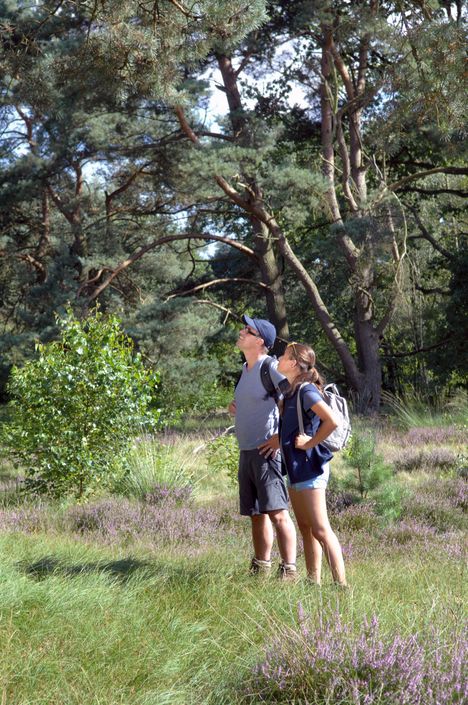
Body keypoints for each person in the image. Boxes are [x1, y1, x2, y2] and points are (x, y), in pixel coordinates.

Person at [260, 342, 347, 586]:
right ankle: (313, 583)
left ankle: (341, 587)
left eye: (284, 355)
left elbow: (331, 421)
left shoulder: (306, 391)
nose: (278, 358)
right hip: (297, 470)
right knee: (306, 529)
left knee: (320, 529)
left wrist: (309, 443)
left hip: (311, 468)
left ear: (294, 364)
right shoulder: (289, 391)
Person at [228, 314, 297, 580]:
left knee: (278, 513)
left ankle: (289, 570)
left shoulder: (270, 367)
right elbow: (248, 403)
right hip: (246, 451)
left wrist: (281, 437)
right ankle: (261, 568)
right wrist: (233, 407)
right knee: (257, 514)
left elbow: (293, 396)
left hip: (267, 453)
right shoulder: (244, 371)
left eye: (247, 330)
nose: (241, 332)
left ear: (260, 341)